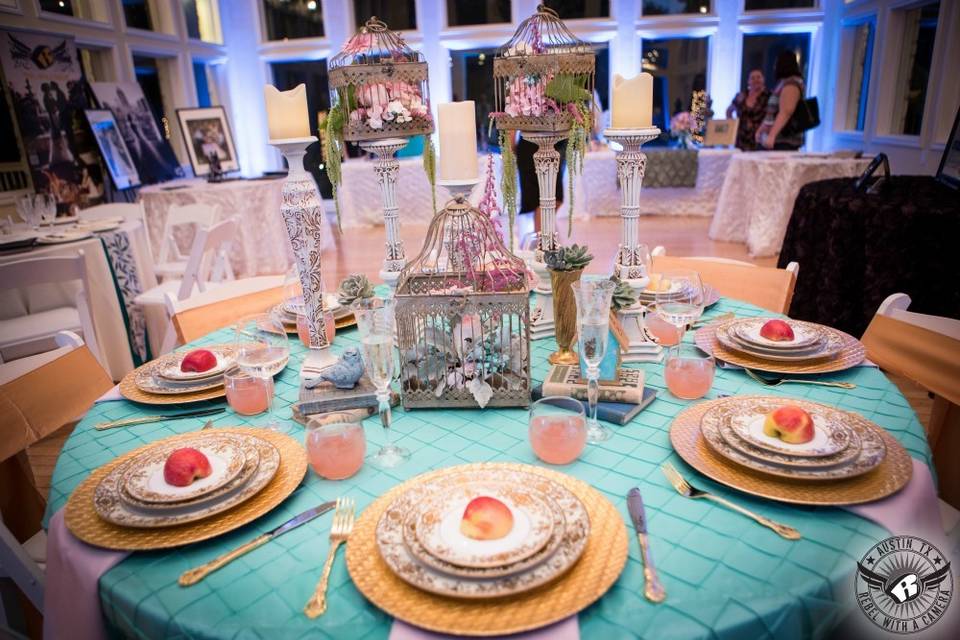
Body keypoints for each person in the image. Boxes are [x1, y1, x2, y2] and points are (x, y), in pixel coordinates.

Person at [756, 51, 805, 151]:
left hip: (784, 141)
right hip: (775, 140)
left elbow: (786, 111)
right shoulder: (782, 83)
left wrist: (772, 136)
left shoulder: (792, 83)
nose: (774, 66)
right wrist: (762, 130)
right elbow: (772, 112)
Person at [726, 69, 769, 151]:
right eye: (752, 78)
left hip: (760, 140)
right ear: (748, 81)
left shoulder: (769, 97)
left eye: (758, 77)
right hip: (741, 140)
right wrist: (733, 128)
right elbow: (729, 111)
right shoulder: (741, 96)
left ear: (763, 79)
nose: (756, 80)